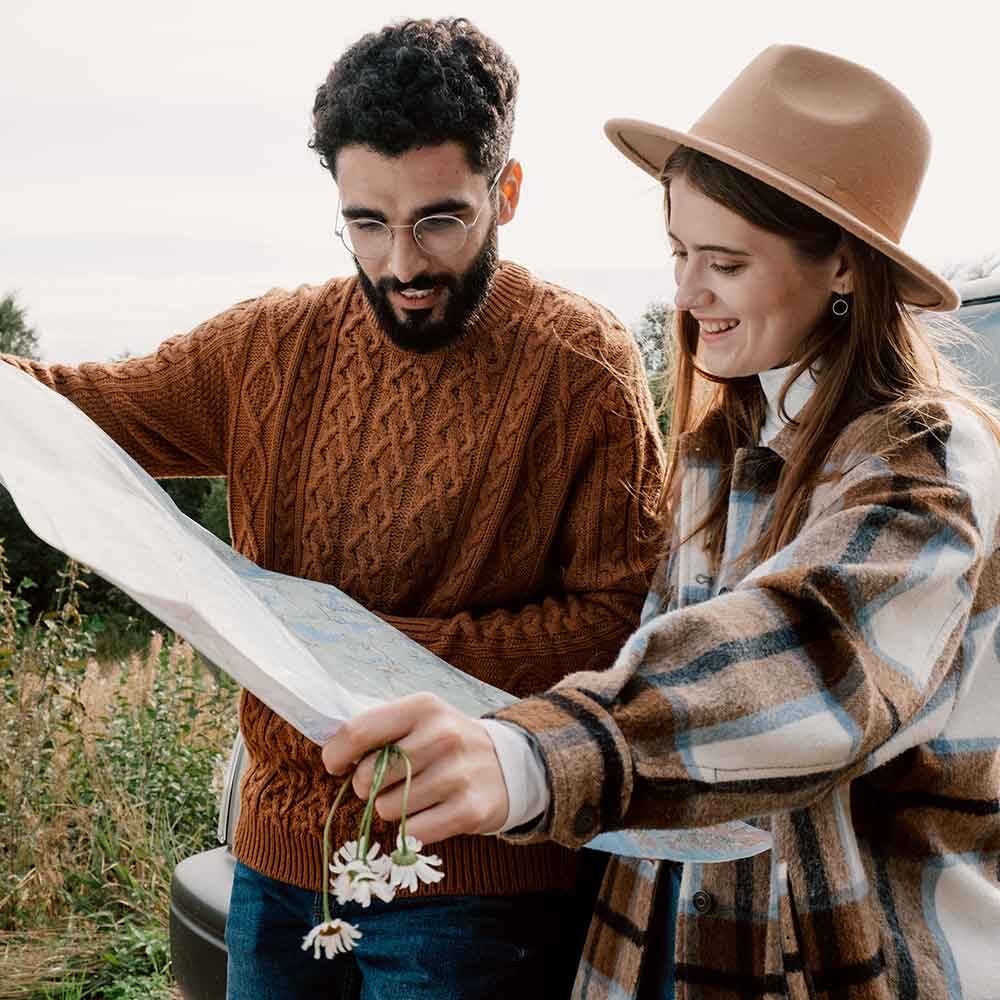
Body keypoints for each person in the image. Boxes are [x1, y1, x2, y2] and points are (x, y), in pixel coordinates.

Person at [1, 17, 666, 1000]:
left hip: (476, 884)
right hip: (274, 870)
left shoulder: (584, 368)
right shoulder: (272, 345)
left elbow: (619, 622)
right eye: (366, 221)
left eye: (439, 219)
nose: (400, 262)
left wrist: (354, 655)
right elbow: (72, 405)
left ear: (505, 192)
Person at [322, 45, 1000, 999]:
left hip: (855, 962)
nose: (684, 297)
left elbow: (811, 658)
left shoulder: (925, 459)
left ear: (842, 264)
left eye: (725, 263)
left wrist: (531, 754)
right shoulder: (726, 447)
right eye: (680, 253)